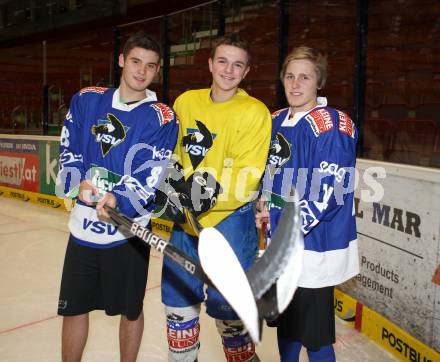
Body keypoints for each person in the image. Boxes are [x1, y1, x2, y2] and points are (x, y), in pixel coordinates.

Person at [56, 31, 179, 362]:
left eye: (150, 66)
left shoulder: (162, 117)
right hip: (83, 229)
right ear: (122, 60)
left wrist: (118, 199)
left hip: (129, 232)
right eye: (136, 61)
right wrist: (77, 182)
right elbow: (69, 146)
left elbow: (151, 174)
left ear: (157, 72)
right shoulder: (87, 99)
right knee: (74, 308)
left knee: (131, 311)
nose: (142, 71)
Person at [159, 34, 271, 361]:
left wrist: (201, 194)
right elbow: (175, 154)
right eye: (222, 61)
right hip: (186, 223)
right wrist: (171, 183)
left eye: (238, 64)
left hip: (230, 224)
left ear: (247, 71)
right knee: (177, 307)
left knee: (229, 313)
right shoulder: (186, 102)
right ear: (210, 64)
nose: (228, 69)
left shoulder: (255, 112)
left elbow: (249, 174)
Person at [256, 46, 359, 362]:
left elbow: (326, 192)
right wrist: (261, 201)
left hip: (314, 249)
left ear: (319, 82)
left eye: (305, 77)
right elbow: (266, 173)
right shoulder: (274, 120)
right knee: (287, 330)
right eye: (290, 76)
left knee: (314, 339)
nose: (295, 84)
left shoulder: (332, 124)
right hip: (280, 247)